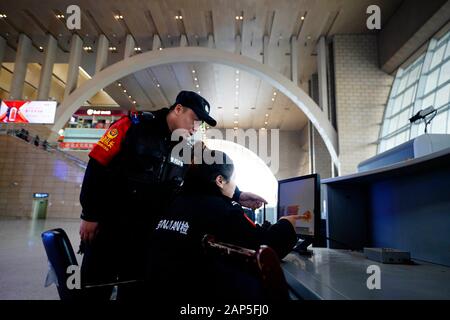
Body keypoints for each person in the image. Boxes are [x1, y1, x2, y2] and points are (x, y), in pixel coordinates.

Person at [78, 91, 267, 300]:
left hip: (145, 236)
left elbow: (202, 180)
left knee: (134, 293)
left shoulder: (184, 149)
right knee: (94, 290)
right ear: (178, 109)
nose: (195, 128)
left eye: (200, 125)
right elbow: (97, 165)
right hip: (109, 229)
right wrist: (90, 214)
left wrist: (237, 195)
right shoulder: (133, 126)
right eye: (194, 120)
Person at [147, 150, 303, 301]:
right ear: (220, 181)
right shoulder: (221, 211)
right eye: (234, 178)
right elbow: (268, 244)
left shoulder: (175, 202)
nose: (235, 185)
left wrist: (237, 196)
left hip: (160, 291)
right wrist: (287, 223)